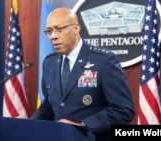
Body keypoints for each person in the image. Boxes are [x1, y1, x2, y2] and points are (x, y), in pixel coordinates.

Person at [30, 7, 135, 141]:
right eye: (49, 31)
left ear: (76, 28)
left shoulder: (103, 60)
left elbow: (123, 109)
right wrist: (29, 123)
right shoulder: (49, 62)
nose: (53, 36)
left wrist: (84, 125)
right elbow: (49, 106)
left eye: (59, 29)